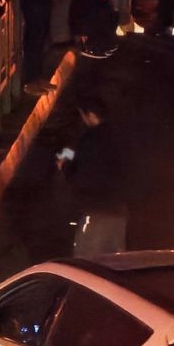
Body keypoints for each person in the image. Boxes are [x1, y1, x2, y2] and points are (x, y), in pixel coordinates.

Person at [60, 97, 128, 258]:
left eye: (83, 116)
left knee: (86, 261)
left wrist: (64, 166)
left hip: (96, 211)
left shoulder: (89, 141)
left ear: (90, 115)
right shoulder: (117, 136)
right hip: (119, 211)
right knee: (117, 259)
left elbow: (80, 176)